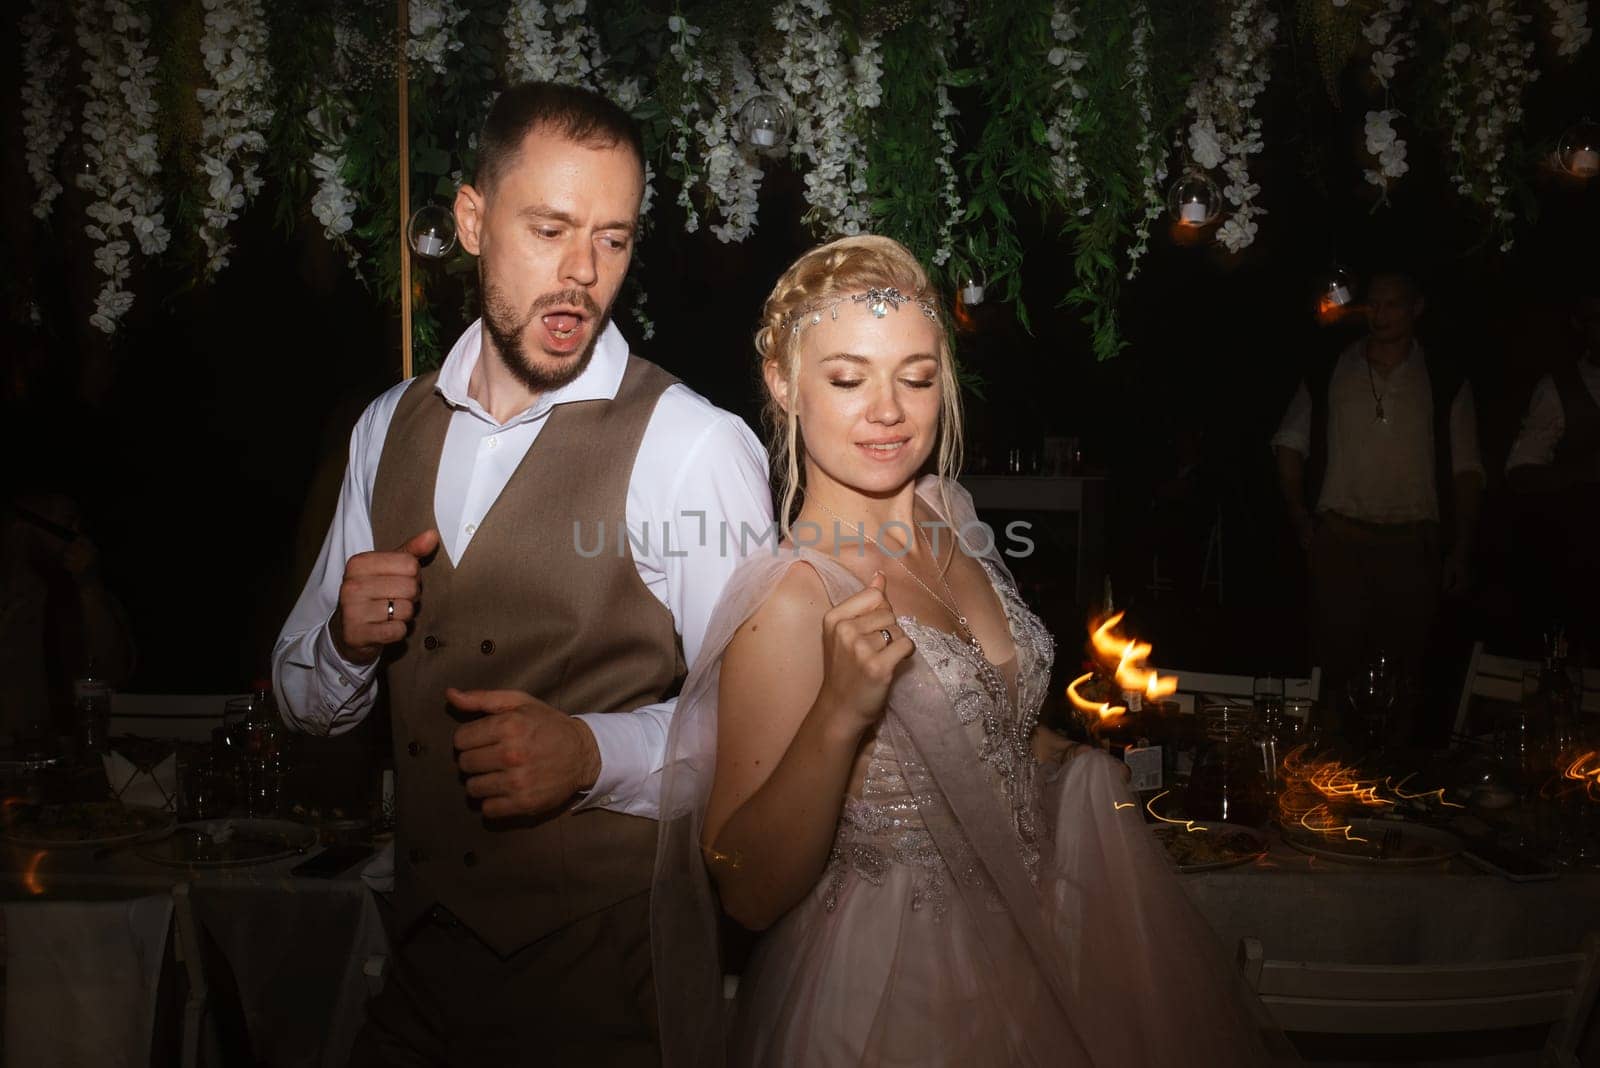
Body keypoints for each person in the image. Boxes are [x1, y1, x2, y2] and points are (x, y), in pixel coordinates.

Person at [652, 236, 1278, 1066]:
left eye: (915, 377)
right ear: (782, 383)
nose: (890, 411)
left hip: (1037, 938)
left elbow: (987, 719)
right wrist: (839, 715)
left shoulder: (950, 511)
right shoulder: (791, 597)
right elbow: (745, 887)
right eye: (848, 379)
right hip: (887, 990)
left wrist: (1069, 760)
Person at [271, 82, 771, 1066]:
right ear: (470, 220)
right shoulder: (388, 426)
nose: (582, 274)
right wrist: (341, 643)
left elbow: (762, 731)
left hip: (608, 995)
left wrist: (593, 753)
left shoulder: (690, 444)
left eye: (614, 239)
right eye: (550, 228)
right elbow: (300, 700)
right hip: (412, 982)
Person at [1272, 270, 1484, 743]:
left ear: (1416, 309)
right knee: (1332, 670)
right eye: (1374, 304)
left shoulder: (1444, 378)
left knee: (1404, 678)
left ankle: (1394, 785)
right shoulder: (1331, 368)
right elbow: (1289, 442)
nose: (1381, 315)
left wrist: (1462, 548)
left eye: (1393, 305)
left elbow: (1466, 469)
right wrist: (1300, 516)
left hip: (1412, 544)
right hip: (1341, 540)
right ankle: (1328, 778)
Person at [0, 483, 135, 748]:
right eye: (66, 523)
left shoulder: (81, 599)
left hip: (50, 761)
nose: (77, 536)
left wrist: (89, 587)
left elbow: (111, 674)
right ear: (21, 526)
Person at [1504, 286, 1600, 649]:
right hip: (1581, 566)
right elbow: (1519, 473)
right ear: (1581, 325)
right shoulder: (1559, 388)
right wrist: (1585, 473)